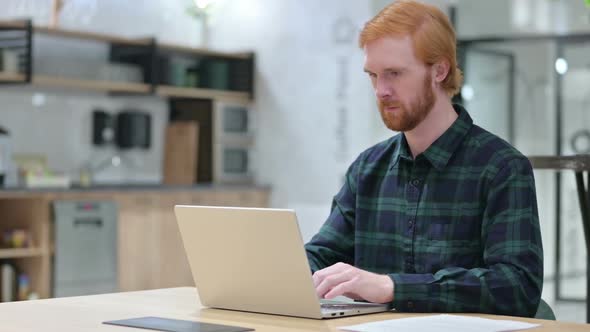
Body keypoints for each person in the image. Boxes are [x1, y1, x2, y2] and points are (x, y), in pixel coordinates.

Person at [304, 0, 543, 317]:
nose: (380, 90)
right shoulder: (366, 169)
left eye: (394, 73)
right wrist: (288, 275)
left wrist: (393, 287)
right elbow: (323, 253)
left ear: (440, 70)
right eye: (373, 75)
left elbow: (517, 286)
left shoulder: (501, 168)